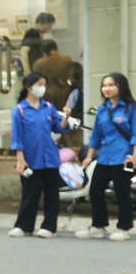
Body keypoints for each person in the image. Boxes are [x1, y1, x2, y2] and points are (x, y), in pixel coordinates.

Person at [9, 71, 74, 238]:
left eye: (44, 85)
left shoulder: (49, 107)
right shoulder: (20, 110)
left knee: (52, 194)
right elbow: (17, 138)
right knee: (30, 194)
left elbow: (59, 127)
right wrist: (20, 160)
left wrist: (66, 116)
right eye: (40, 85)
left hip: (51, 158)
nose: (43, 88)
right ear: (29, 87)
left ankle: (49, 226)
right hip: (31, 159)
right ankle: (24, 226)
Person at [76, 73, 136, 240]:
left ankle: (124, 228)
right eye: (104, 85)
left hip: (124, 157)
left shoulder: (131, 108)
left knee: (121, 192)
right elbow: (96, 136)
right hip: (104, 157)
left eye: (111, 85)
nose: (107, 89)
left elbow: (135, 135)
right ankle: (98, 225)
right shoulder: (102, 109)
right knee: (95, 190)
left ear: (121, 87)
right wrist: (88, 157)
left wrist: (134, 156)